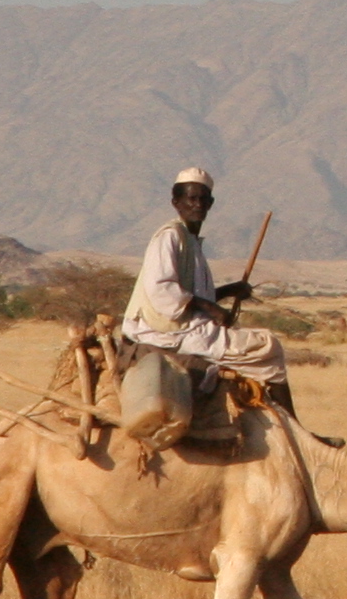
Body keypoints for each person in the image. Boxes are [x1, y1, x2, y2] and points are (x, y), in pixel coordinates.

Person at [121, 167, 292, 415]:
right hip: (165, 331)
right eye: (191, 198)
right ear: (176, 203)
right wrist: (211, 308)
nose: (198, 204)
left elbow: (193, 295)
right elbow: (163, 290)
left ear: (211, 203)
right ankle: (297, 430)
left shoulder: (191, 241)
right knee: (269, 347)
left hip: (185, 327)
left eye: (203, 199)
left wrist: (229, 291)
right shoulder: (169, 237)